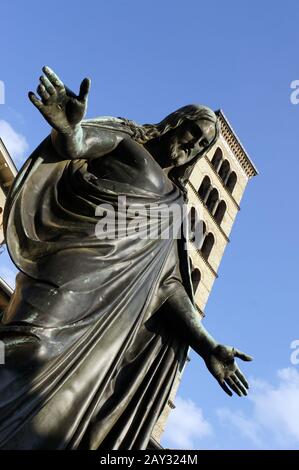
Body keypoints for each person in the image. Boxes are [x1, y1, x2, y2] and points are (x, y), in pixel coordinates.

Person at [0, 67, 252, 450]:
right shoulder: (127, 142)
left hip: (115, 319)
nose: (193, 146)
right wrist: (67, 128)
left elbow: (168, 286)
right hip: (71, 273)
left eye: (202, 146)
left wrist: (207, 345)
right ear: (174, 123)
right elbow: (78, 143)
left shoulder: (176, 207)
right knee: (30, 347)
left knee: (68, 404)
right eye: (192, 133)